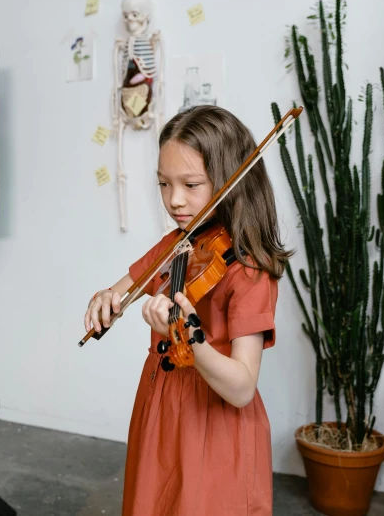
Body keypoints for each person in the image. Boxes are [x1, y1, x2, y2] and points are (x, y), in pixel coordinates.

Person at [84, 105, 292, 515]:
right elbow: (123, 290)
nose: (174, 200)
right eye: (163, 184)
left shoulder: (250, 271)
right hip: (162, 409)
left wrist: (189, 337)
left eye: (191, 184)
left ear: (231, 179)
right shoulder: (180, 241)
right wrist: (106, 297)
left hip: (212, 421)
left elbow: (241, 387)